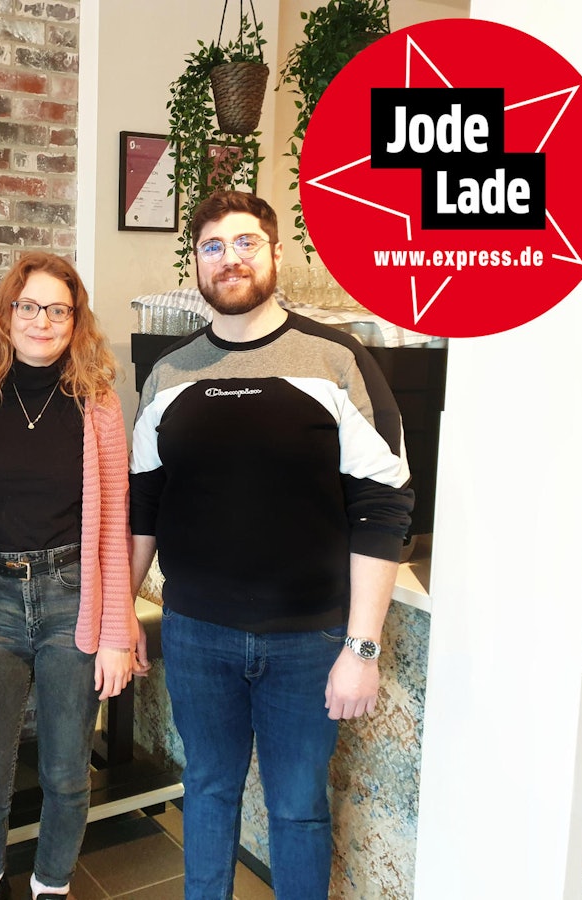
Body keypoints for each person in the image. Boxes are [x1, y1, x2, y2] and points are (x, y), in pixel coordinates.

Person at [129, 191, 414, 900]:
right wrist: (122, 614)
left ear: (275, 253)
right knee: (209, 794)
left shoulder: (338, 359)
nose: (230, 258)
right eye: (214, 246)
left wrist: (362, 647)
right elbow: (144, 504)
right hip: (196, 635)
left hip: (310, 641)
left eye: (246, 242)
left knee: (297, 810)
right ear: (196, 263)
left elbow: (385, 505)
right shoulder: (168, 374)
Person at [0, 252, 144, 900]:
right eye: (29, 306)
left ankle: (51, 884)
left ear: (74, 320)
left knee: (66, 771)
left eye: (58, 309)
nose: (42, 320)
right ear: (8, 314)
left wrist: (116, 630)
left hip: (70, 598)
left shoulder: (98, 403)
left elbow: (114, 522)